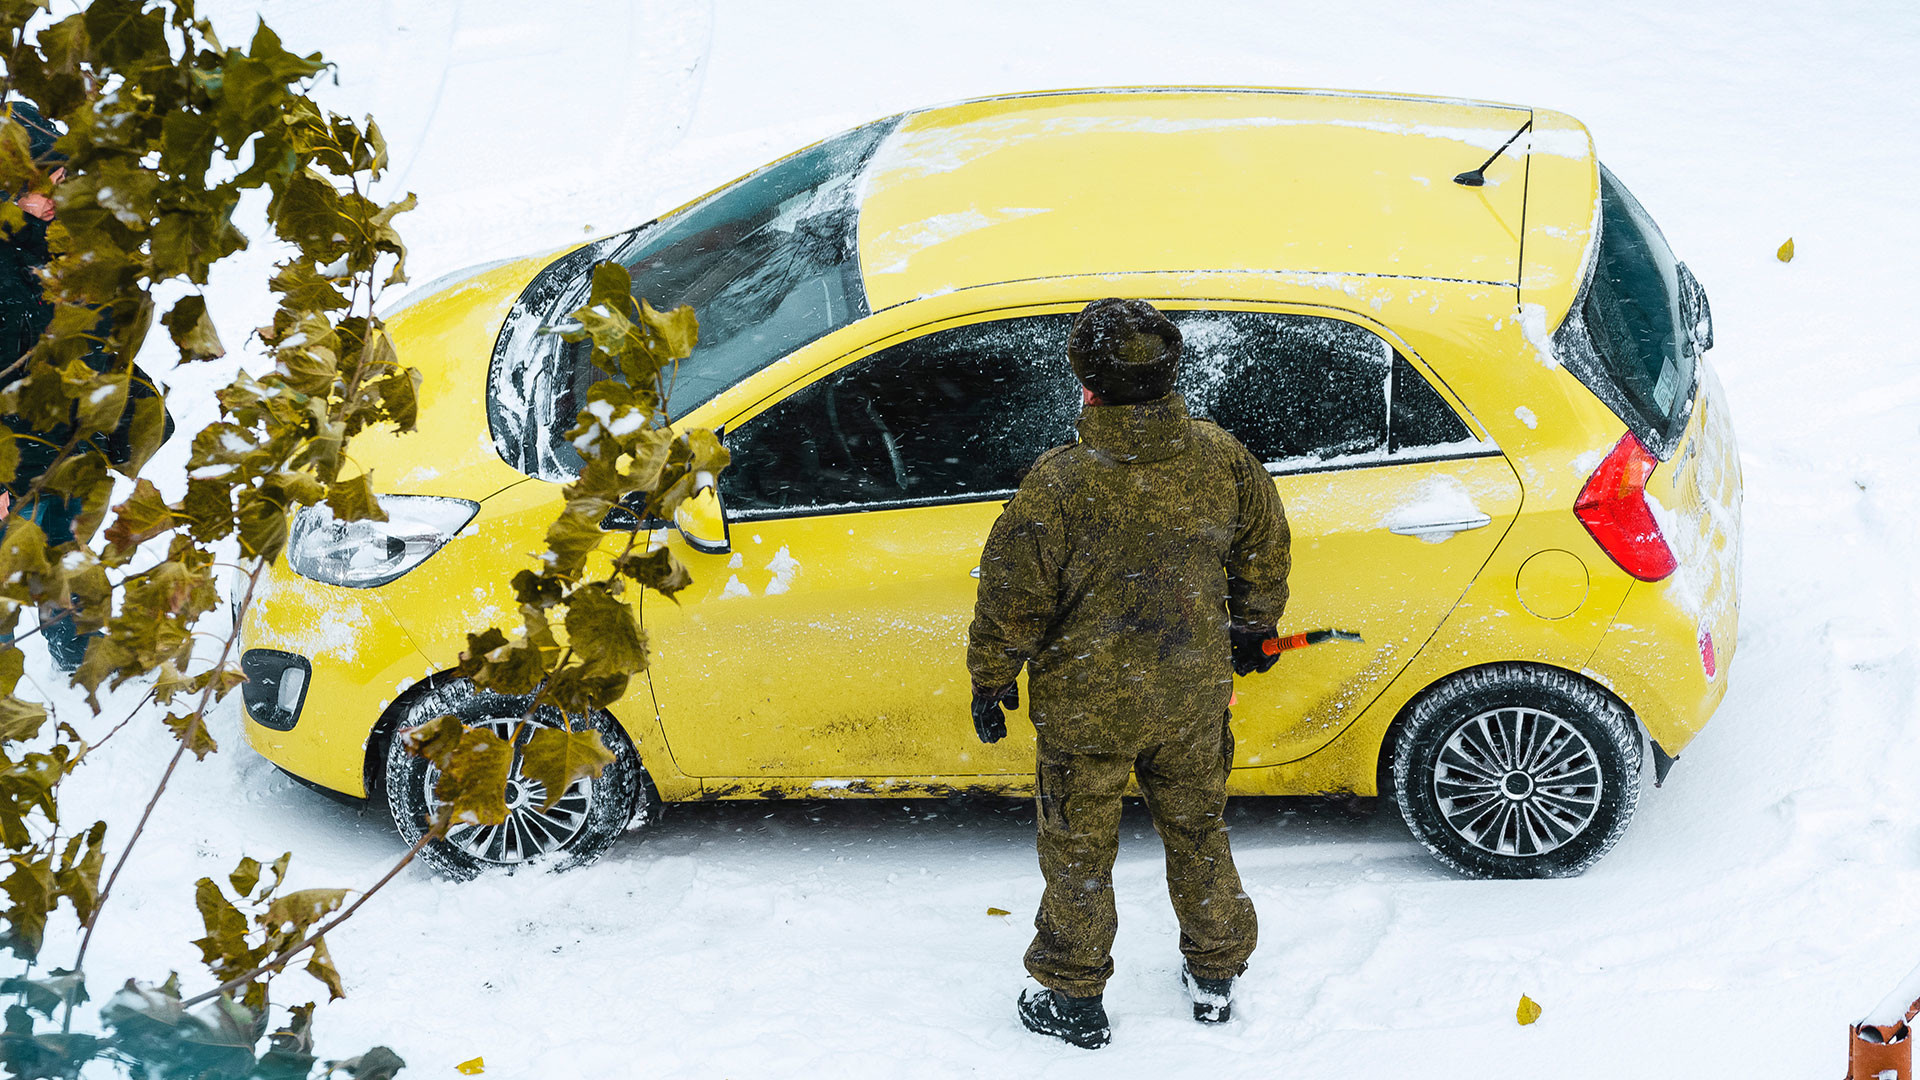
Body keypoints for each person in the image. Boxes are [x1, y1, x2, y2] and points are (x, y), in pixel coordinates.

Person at [967, 297, 1291, 1049]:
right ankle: (1215, 974)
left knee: (1079, 848)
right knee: (1199, 829)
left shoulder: (1057, 486)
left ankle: (1071, 994)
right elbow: (1264, 551)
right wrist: (1252, 626)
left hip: (1086, 710)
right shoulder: (1222, 458)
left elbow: (1010, 598)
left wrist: (992, 679)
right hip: (1190, 696)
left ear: (1086, 384)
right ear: (1172, 372)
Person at [2, 101, 172, 670]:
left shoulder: (68, 235)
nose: (51, 195)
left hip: (68, 441)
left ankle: (83, 656)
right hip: (10, 461)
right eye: (35, 186)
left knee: (67, 557)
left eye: (57, 176)